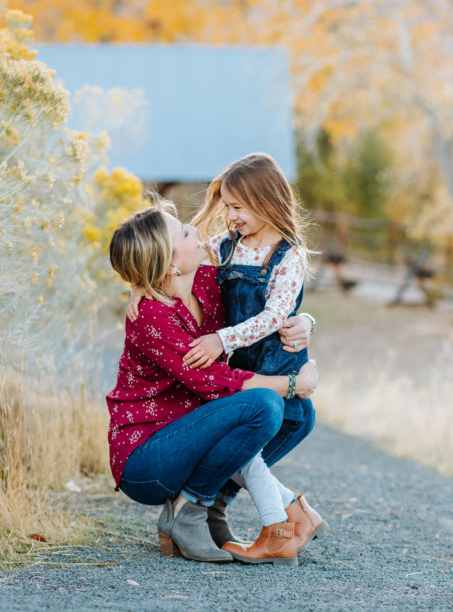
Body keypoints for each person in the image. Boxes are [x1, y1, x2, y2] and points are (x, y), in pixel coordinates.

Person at [127, 153, 325, 565]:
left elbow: (276, 315)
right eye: (229, 206)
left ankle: (230, 510)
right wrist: (137, 283)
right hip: (235, 367)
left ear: (267, 201)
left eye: (237, 207)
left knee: (295, 420)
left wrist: (303, 321)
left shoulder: (290, 256)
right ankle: (282, 520)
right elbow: (171, 263)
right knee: (254, 424)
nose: (230, 216)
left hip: (270, 359)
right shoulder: (228, 245)